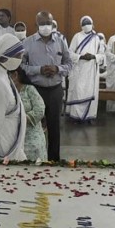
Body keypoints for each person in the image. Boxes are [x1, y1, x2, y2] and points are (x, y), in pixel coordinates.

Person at [22, 11, 73, 161]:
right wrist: (39, 70)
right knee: (33, 124)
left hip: (55, 90)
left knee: (54, 126)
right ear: (36, 24)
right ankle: (32, 157)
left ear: (53, 23)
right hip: (36, 90)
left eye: (48, 23)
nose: (46, 26)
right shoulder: (28, 43)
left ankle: (53, 159)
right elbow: (21, 66)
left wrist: (57, 69)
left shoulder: (60, 41)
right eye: (42, 23)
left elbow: (69, 64)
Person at [67, 15, 104, 122]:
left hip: (91, 70)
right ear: (81, 25)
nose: (86, 25)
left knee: (90, 90)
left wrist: (93, 56)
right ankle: (76, 116)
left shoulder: (96, 38)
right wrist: (81, 57)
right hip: (79, 68)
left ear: (92, 24)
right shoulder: (77, 36)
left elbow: (102, 55)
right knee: (78, 90)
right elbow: (70, 52)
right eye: (84, 23)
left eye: (88, 23)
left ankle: (89, 116)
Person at [9, 67, 47, 161]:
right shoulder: (8, 92)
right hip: (12, 133)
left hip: (31, 132)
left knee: (34, 147)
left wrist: (21, 119)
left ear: (15, 76)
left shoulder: (29, 89)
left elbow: (40, 109)